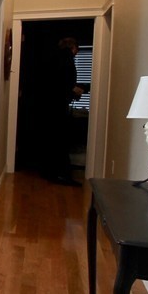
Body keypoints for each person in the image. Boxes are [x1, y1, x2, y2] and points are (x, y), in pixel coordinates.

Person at [39, 37, 84, 186]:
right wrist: (73, 90)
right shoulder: (66, 58)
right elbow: (62, 83)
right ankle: (60, 174)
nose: (77, 53)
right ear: (73, 47)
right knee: (59, 140)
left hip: (48, 107)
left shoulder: (53, 58)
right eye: (77, 49)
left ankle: (48, 172)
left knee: (51, 140)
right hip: (57, 108)